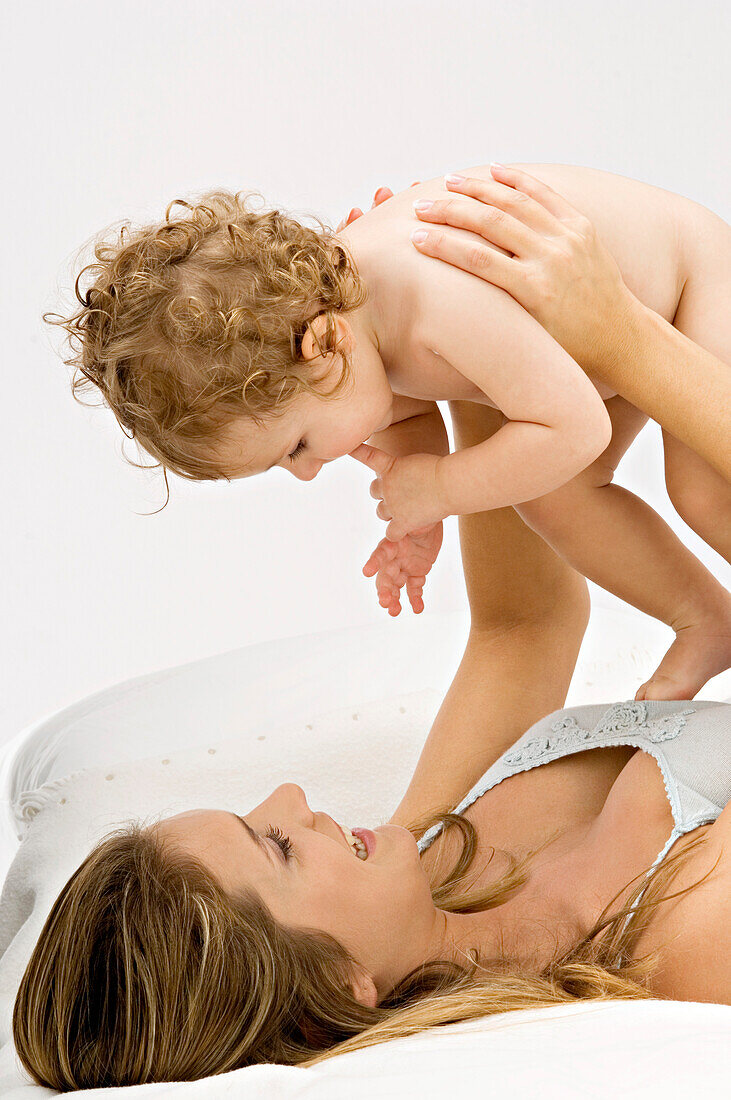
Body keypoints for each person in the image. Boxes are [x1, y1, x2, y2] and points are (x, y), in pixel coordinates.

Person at [48, 163, 730, 702]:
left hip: (689, 279)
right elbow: (404, 411)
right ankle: (704, 620)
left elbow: (572, 426)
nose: (310, 471)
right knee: (553, 497)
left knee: (699, 489)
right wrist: (420, 517)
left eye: (295, 448)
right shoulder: (355, 334)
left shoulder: (432, 298)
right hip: (598, 353)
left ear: (322, 343)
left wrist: (443, 487)